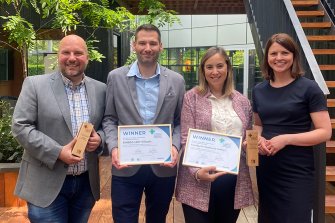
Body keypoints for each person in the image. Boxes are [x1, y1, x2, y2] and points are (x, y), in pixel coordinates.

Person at [12, 34, 106, 223]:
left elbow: (106, 126)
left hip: (85, 185)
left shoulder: (101, 89)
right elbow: (20, 126)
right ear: (58, 55)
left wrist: (100, 139)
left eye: (78, 53)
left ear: (87, 57)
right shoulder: (34, 84)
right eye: (66, 52)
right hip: (45, 183)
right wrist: (57, 152)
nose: (72, 57)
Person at [102, 24, 185, 223]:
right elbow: (110, 119)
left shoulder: (176, 80)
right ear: (134, 45)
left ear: (161, 46)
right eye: (142, 43)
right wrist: (113, 147)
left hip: (163, 166)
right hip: (126, 164)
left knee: (157, 219)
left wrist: (175, 146)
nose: (147, 47)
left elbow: (180, 121)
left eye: (153, 43)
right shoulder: (115, 77)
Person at [252, 33, 332, 223]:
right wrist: (258, 141)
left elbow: (324, 132)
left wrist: (286, 139)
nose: (279, 58)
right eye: (273, 53)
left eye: (284, 53)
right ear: (267, 58)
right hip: (267, 167)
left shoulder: (309, 88)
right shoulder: (258, 90)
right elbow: (258, 125)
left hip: (296, 169)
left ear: (294, 56)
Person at [175, 46, 255, 223]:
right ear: (203, 70)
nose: (215, 72)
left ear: (228, 67)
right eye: (209, 67)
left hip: (233, 182)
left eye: (219, 66)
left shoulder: (242, 101)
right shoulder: (192, 98)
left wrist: (246, 147)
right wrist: (196, 172)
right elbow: (186, 139)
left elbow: (247, 138)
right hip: (198, 181)